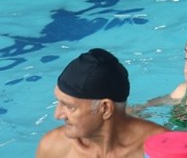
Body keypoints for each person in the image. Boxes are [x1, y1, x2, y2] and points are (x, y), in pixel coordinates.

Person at [36, 48, 166, 158]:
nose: (57, 115)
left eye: (70, 107)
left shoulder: (163, 147)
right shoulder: (54, 148)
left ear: (105, 108)